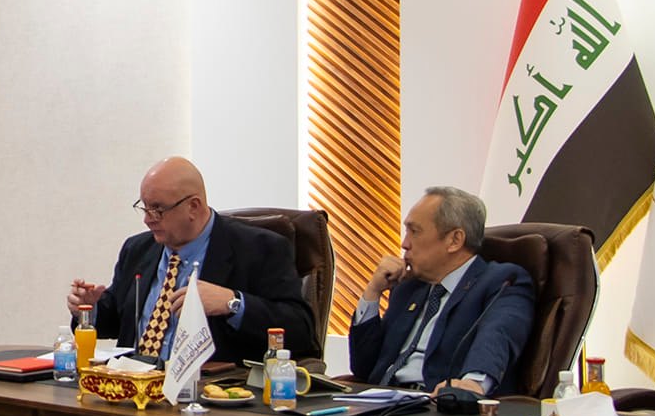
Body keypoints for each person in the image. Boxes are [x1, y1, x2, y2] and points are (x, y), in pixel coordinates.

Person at [68, 156, 317, 364]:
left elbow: (301, 331)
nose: (147, 219)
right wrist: (89, 310)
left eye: (157, 209)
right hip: (133, 389)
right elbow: (118, 322)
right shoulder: (137, 249)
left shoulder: (260, 249)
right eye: (144, 208)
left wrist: (232, 303)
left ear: (193, 207)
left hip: (209, 394)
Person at [350, 186, 536, 396]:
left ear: (454, 240)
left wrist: (473, 385)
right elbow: (364, 368)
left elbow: (496, 336)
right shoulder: (407, 287)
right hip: (383, 401)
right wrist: (373, 292)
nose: (404, 243)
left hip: (436, 404)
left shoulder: (502, 282)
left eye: (415, 231)